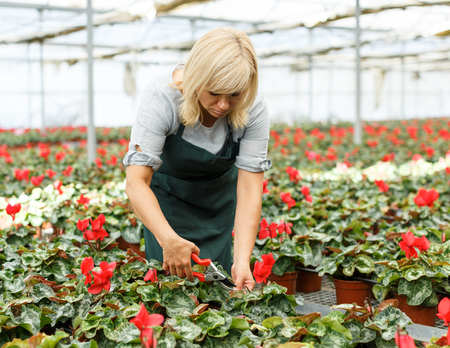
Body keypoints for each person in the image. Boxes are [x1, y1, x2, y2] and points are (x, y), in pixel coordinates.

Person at [123, 27, 271, 291]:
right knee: (170, 294)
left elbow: (249, 188)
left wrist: (243, 260)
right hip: (166, 206)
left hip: (218, 206)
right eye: (214, 93)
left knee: (221, 292)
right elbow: (136, 182)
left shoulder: (253, 106)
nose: (224, 105)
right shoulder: (163, 97)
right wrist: (167, 238)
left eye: (234, 94)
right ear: (195, 79)